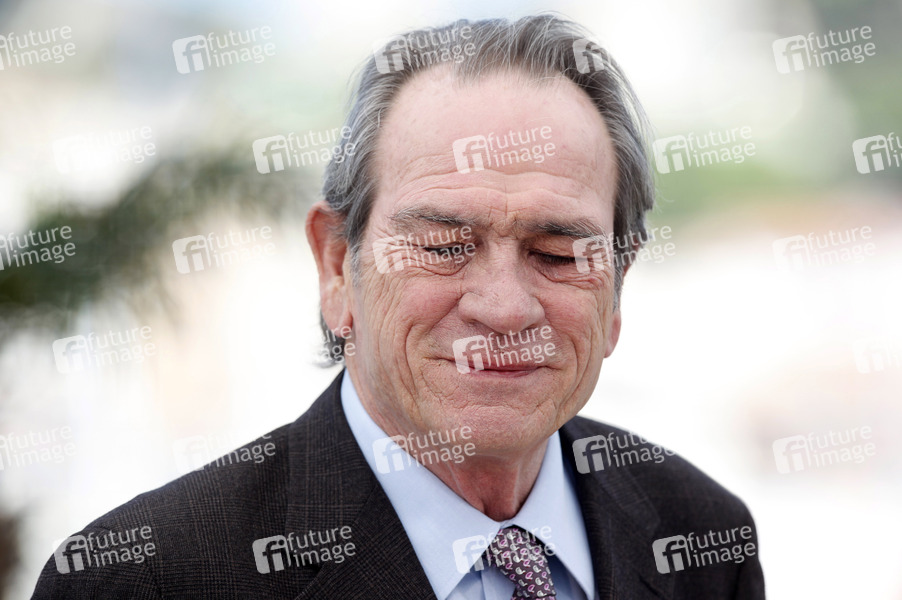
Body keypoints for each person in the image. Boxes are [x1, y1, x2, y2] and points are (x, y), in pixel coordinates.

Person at [33, 15, 765, 599]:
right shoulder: (149, 579)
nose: (504, 308)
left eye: (557, 253)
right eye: (444, 247)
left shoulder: (701, 539)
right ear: (336, 267)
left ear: (617, 289)